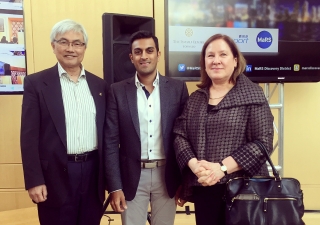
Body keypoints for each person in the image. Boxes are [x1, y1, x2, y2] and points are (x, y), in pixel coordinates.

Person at [173, 34, 274, 225]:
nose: (216, 61)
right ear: (204, 62)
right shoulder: (195, 98)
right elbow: (180, 135)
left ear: (235, 60)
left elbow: (263, 143)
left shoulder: (253, 94)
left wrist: (221, 168)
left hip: (244, 191)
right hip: (204, 188)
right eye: (210, 56)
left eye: (223, 54)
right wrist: (195, 166)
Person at [20, 19, 107, 225]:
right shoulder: (36, 84)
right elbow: (28, 137)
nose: (71, 49)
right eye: (64, 42)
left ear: (84, 48)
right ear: (53, 46)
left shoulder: (100, 85)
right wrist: (34, 180)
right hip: (55, 176)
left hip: (93, 173)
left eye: (77, 43)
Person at [104, 30, 189, 225]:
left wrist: (184, 181)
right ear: (131, 57)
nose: (144, 56)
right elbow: (110, 142)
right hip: (131, 176)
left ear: (158, 54)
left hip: (167, 175)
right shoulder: (117, 91)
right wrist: (115, 186)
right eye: (138, 51)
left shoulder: (177, 89)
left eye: (149, 50)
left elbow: (184, 137)